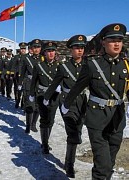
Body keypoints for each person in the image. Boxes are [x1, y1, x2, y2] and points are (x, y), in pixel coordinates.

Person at [62, 23, 128, 180]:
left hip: (117, 119)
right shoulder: (93, 65)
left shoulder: (126, 65)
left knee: (109, 163)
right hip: (97, 119)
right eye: (112, 40)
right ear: (104, 42)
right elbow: (77, 87)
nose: (117, 43)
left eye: (119, 39)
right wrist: (66, 105)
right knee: (103, 166)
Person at [43, 35, 88, 178]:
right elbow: (55, 83)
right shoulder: (64, 67)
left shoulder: (89, 66)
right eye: (76, 48)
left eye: (82, 48)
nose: (80, 50)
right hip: (67, 103)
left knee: (78, 131)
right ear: (71, 50)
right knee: (73, 132)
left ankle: (69, 159)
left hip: (82, 102)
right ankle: (70, 165)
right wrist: (46, 97)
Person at [29, 42, 60, 153]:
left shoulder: (59, 66)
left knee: (51, 120)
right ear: (44, 53)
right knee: (44, 120)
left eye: (52, 51)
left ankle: (45, 140)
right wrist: (32, 94)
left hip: (55, 97)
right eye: (48, 51)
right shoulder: (39, 66)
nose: (51, 53)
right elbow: (34, 82)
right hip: (42, 96)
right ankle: (45, 144)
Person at [18, 39, 42, 134]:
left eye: (38, 47)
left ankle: (33, 124)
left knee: (38, 107)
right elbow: (23, 72)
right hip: (29, 84)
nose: (36, 49)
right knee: (29, 106)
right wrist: (20, 83)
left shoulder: (43, 59)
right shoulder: (26, 59)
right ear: (31, 48)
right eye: (34, 47)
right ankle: (28, 125)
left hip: (40, 85)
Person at [10, 42, 27, 108]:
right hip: (18, 76)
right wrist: (12, 74)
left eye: (24, 49)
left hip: (25, 76)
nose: (23, 50)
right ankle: (17, 101)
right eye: (21, 49)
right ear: (19, 49)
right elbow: (13, 66)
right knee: (18, 90)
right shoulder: (17, 57)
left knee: (25, 90)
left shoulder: (27, 57)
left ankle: (23, 103)